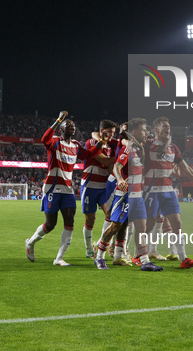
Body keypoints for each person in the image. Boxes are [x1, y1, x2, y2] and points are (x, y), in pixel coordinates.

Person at [25, 110, 113, 266]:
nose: (72, 127)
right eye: (68, 125)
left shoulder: (75, 145)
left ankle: (59, 258)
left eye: (73, 126)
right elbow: (44, 138)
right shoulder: (55, 142)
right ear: (61, 128)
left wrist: (101, 141)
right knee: (50, 224)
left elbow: (88, 155)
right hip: (52, 188)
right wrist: (59, 119)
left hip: (67, 190)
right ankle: (30, 243)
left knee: (70, 221)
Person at [94, 118, 163, 271]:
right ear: (135, 132)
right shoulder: (129, 148)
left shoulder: (140, 147)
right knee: (116, 226)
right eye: (144, 130)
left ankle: (145, 261)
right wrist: (119, 179)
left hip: (138, 196)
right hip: (125, 195)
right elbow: (117, 166)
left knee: (141, 227)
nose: (146, 133)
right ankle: (99, 257)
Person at [143, 116, 193, 269]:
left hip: (169, 191)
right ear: (156, 129)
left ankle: (183, 258)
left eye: (169, 126)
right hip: (152, 191)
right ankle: (139, 255)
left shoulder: (173, 148)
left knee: (177, 223)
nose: (168, 129)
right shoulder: (147, 146)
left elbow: (186, 169)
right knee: (149, 224)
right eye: (164, 126)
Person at [81, 119, 119, 259]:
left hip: (104, 187)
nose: (112, 135)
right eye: (110, 132)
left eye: (114, 133)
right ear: (102, 131)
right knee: (91, 220)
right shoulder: (92, 143)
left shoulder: (112, 144)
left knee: (109, 215)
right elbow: (104, 161)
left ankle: (101, 243)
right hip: (90, 185)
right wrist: (120, 159)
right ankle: (88, 248)